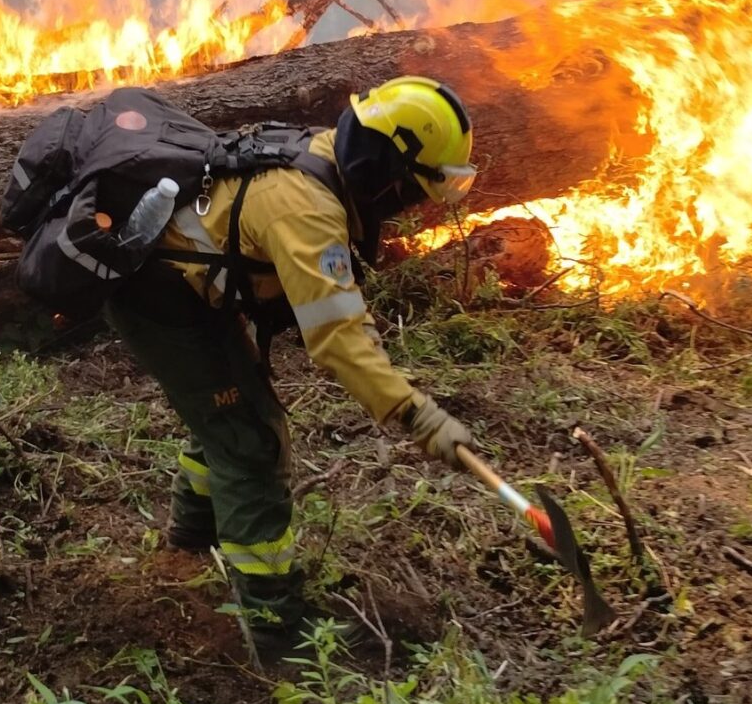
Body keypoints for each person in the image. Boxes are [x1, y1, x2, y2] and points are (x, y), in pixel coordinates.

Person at [105, 75, 477, 653]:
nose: (409, 206)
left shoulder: (324, 160)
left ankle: (186, 547)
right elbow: (337, 341)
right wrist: (419, 417)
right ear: (385, 167)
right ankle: (275, 628)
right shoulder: (305, 209)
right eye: (410, 189)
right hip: (158, 297)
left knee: (234, 416)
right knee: (252, 442)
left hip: (187, 289)